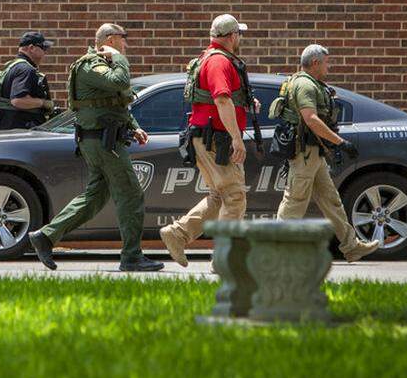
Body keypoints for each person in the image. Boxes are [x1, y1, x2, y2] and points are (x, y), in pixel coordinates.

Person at [28, 24, 163, 272]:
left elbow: (116, 101)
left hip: (102, 139)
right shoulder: (91, 65)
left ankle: (46, 236)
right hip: (103, 141)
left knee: (95, 197)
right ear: (111, 40)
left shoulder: (103, 64)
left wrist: (133, 126)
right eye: (123, 40)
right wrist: (120, 59)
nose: (126, 46)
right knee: (131, 194)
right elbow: (119, 81)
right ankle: (131, 257)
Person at [158, 14, 258, 267]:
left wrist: (244, 103)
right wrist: (237, 139)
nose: (240, 39)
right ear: (232, 36)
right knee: (234, 196)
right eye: (239, 35)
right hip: (218, 139)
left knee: (218, 196)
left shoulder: (210, 58)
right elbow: (221, 99)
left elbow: (224, 99)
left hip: (206, 135)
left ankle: (177, 234)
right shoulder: (219, 62)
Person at [275, 44, 380, 262]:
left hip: (313, 153)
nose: (328, 67)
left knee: (330, 200)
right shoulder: (305, 85)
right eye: (326, 62)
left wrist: (331, 146)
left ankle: (351, 246)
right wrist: (340, 143)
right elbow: (310, 118)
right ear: (315, 63)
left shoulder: (310, 83)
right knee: (295, 201)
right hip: (305, 154)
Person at [0, 31, 56, 130]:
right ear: (31, 48)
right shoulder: (26, 69)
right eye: (43, 48)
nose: (45, 52)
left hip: (8, 129)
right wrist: (43, 103)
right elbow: (18, 100)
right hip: (22, 132)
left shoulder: (12, 66)